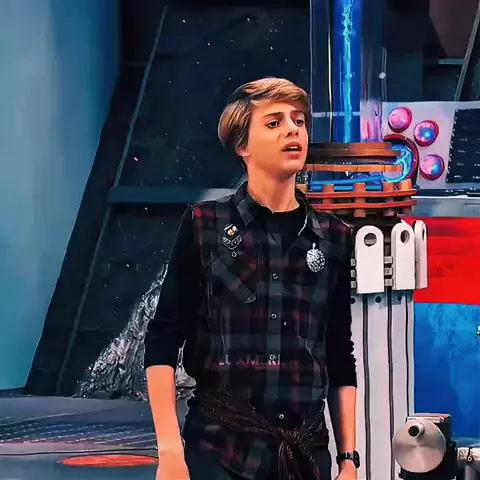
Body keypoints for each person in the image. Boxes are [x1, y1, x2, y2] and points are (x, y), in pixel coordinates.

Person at [144, 77, 359, 480]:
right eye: (274, 122)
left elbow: (339, 354)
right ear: (242, 145)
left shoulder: (333, 236)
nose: (293, 130)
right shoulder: (205, 225)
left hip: (304, 456)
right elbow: (163, 339)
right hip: (220, 452)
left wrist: (349, 459)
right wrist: (170, 452)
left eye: (298, 121)